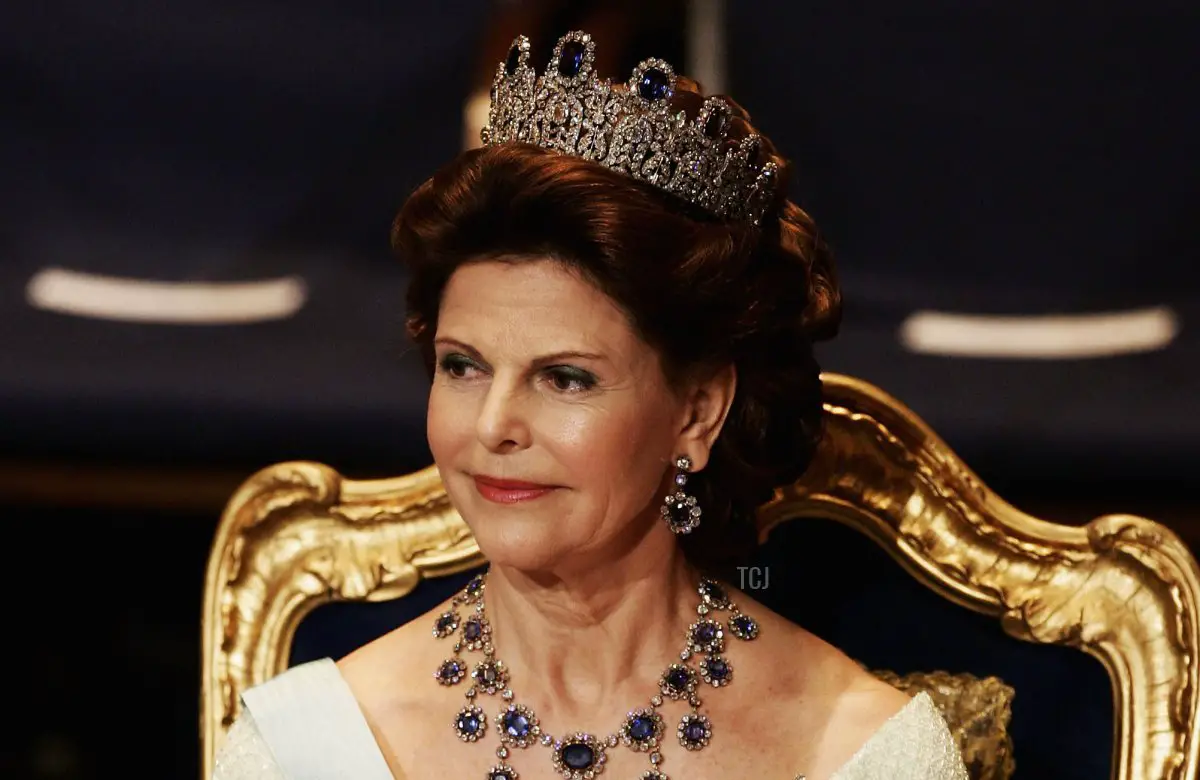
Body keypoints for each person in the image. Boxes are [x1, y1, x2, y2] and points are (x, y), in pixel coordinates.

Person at [212, 31, 968, 780]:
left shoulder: (863, 751)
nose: (493, 426)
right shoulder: (305, 749)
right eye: (463, 367)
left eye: (565, 378)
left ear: (697, 412)